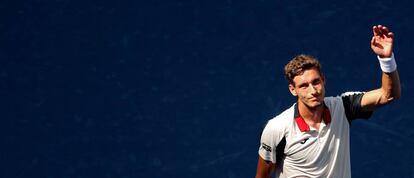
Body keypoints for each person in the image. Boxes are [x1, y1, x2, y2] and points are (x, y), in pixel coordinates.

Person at [255, 25, 401, 178]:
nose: (313, 90)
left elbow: (389, 94)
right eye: (304, 86)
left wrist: (386, 58)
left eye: (316, 82)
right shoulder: (276, 129)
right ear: (293, 90)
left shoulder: (344, 106)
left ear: (324, 81)